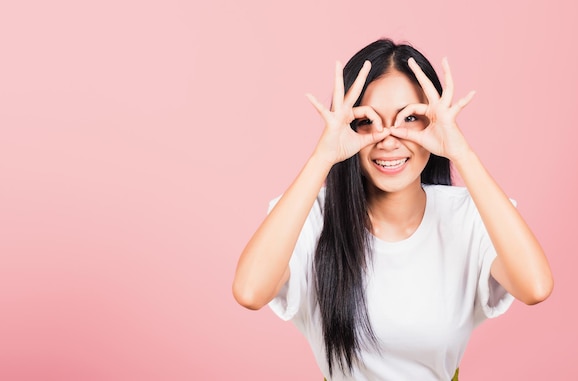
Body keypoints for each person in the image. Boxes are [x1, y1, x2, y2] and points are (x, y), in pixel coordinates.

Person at [232, 38, 553, 380]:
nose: (387, 138)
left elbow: (535, 286)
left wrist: (461, 152)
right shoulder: (309, 219)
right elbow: (250, 291)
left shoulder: (469, 218)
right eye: (367, 121)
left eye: (410, 118)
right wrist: (322, 158)